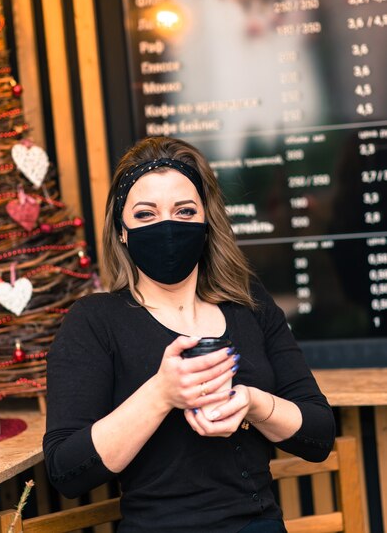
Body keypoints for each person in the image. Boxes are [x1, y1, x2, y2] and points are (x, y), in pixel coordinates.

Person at [43, 136, 335, 533]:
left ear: (206, 223)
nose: (167, 225)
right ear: (123, 231)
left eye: (184, 210)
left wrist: (252, 402)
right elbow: (66, 472)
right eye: (146, 214)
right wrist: (161, 394)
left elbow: (318, 435)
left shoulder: (249, 303)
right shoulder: (94, 321)